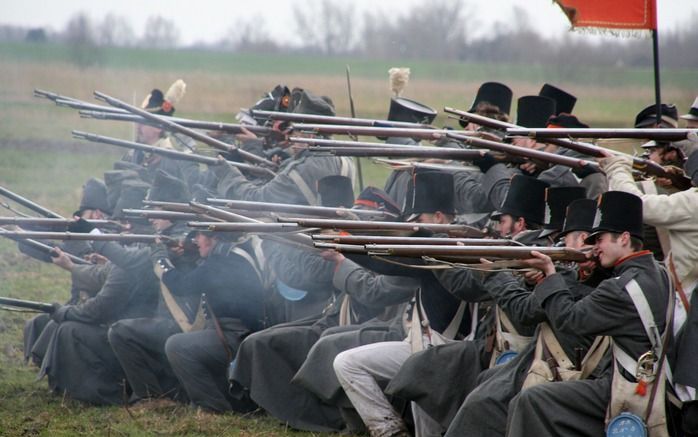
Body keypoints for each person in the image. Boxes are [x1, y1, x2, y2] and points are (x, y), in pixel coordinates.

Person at [506, 191, 671, 437]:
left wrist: (551, 275)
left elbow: (569, 321)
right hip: (648, 379)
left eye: (600, 238)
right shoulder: (658, 271)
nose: (595, 247)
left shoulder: (620, 288)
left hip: (629, 386)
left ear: (624, 238)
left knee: (533, 399)